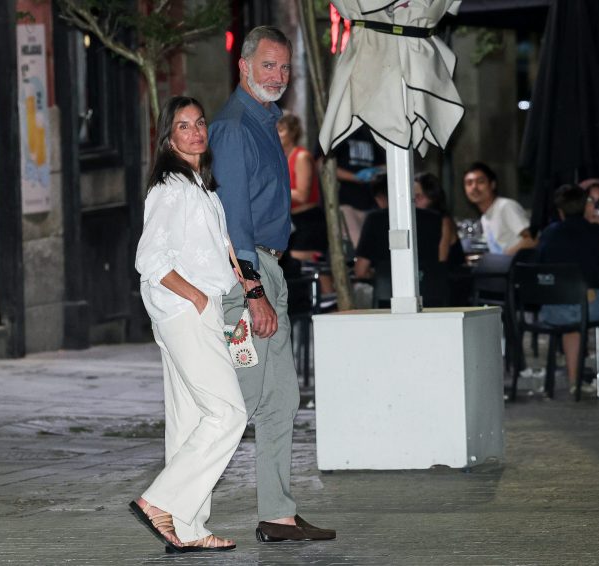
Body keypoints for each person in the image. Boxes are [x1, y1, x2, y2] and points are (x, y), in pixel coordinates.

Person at [209, 25, 336, 543]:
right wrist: (255, 290)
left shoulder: (265, 121)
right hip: (249, 277)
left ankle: (277, 514)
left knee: (282, 399)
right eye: (268, 65)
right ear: (243, 66)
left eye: (284, 67)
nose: (278, 76)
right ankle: (172, 503)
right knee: (233, 404)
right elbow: (232, 218)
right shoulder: (236, 125)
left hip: (269, 272)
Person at [130, 96, 247, 553]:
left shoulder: (198, 186)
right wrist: (197, 297)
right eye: (183, 126)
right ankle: (158, 501)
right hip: (185, 311)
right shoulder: (170, 190)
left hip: (195, 310)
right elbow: (149, 260)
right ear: (168, 137)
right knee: (228, 414)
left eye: (200, 123)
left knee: (191, 420)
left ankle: (188, 527)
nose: (196, 132)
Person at [536, 184, 599, 399]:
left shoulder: (548, 233)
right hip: (587, 305)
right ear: (585, 208)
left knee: (571, 327)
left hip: (551, 309)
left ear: (560, 211)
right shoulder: (594, 232)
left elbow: (538, 266)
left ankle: (575, 382)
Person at [354, 179, 444, 306]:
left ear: (380, 197)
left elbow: (360, 271)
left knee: (359, 290)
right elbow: (441, 261)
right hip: (429, 291)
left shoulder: (375, 220)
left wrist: (378, 273)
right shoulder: (435, 219)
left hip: (385, 296)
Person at [277, 112, 327, 261]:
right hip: (290, 220)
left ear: (292, 132)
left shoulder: (301, 157)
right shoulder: (280, 158)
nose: (276, 134)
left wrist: (275, 191)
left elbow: (302, 195)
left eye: (280, 130)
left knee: (296, 259)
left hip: (307, 220)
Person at [463, 161, 536, 255]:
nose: (474, 187)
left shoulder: (505, 206)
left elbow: (533, 239)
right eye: (469, 183)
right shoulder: (485, 218)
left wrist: (504, 257)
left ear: (492, 184)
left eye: (480, 182)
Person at [335, 125, 385, 247]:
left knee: (371, 247)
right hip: (346, 202)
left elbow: (385, 164)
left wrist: (375, 171)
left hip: (370, 202)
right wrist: (355, 177)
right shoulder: (339, 133)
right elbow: (324, 166)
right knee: (357, 246)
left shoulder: (369, 133)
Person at [414, 172, 464, 266]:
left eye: (419, 196)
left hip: (451, 276)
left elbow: (441, 261)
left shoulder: (444, 221)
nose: (414, 201)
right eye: (413, 197)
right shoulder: (416, 220)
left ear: (432, 197)